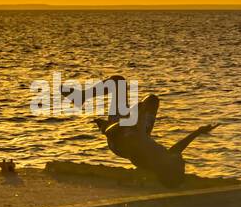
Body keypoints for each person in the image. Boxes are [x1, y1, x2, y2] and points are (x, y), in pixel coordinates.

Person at [89, 75, 217, 188]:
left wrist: (132, 118)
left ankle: (83, 97)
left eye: (181, 166)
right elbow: (177, 149)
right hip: (135, 131)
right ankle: (138, 113)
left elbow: (117, 134)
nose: (183, 162)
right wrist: (197, 132)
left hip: (118, 136)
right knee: (152, 100)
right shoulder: (163, 160)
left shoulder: (147, 157)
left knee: (118, 82)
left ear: (170, 168)